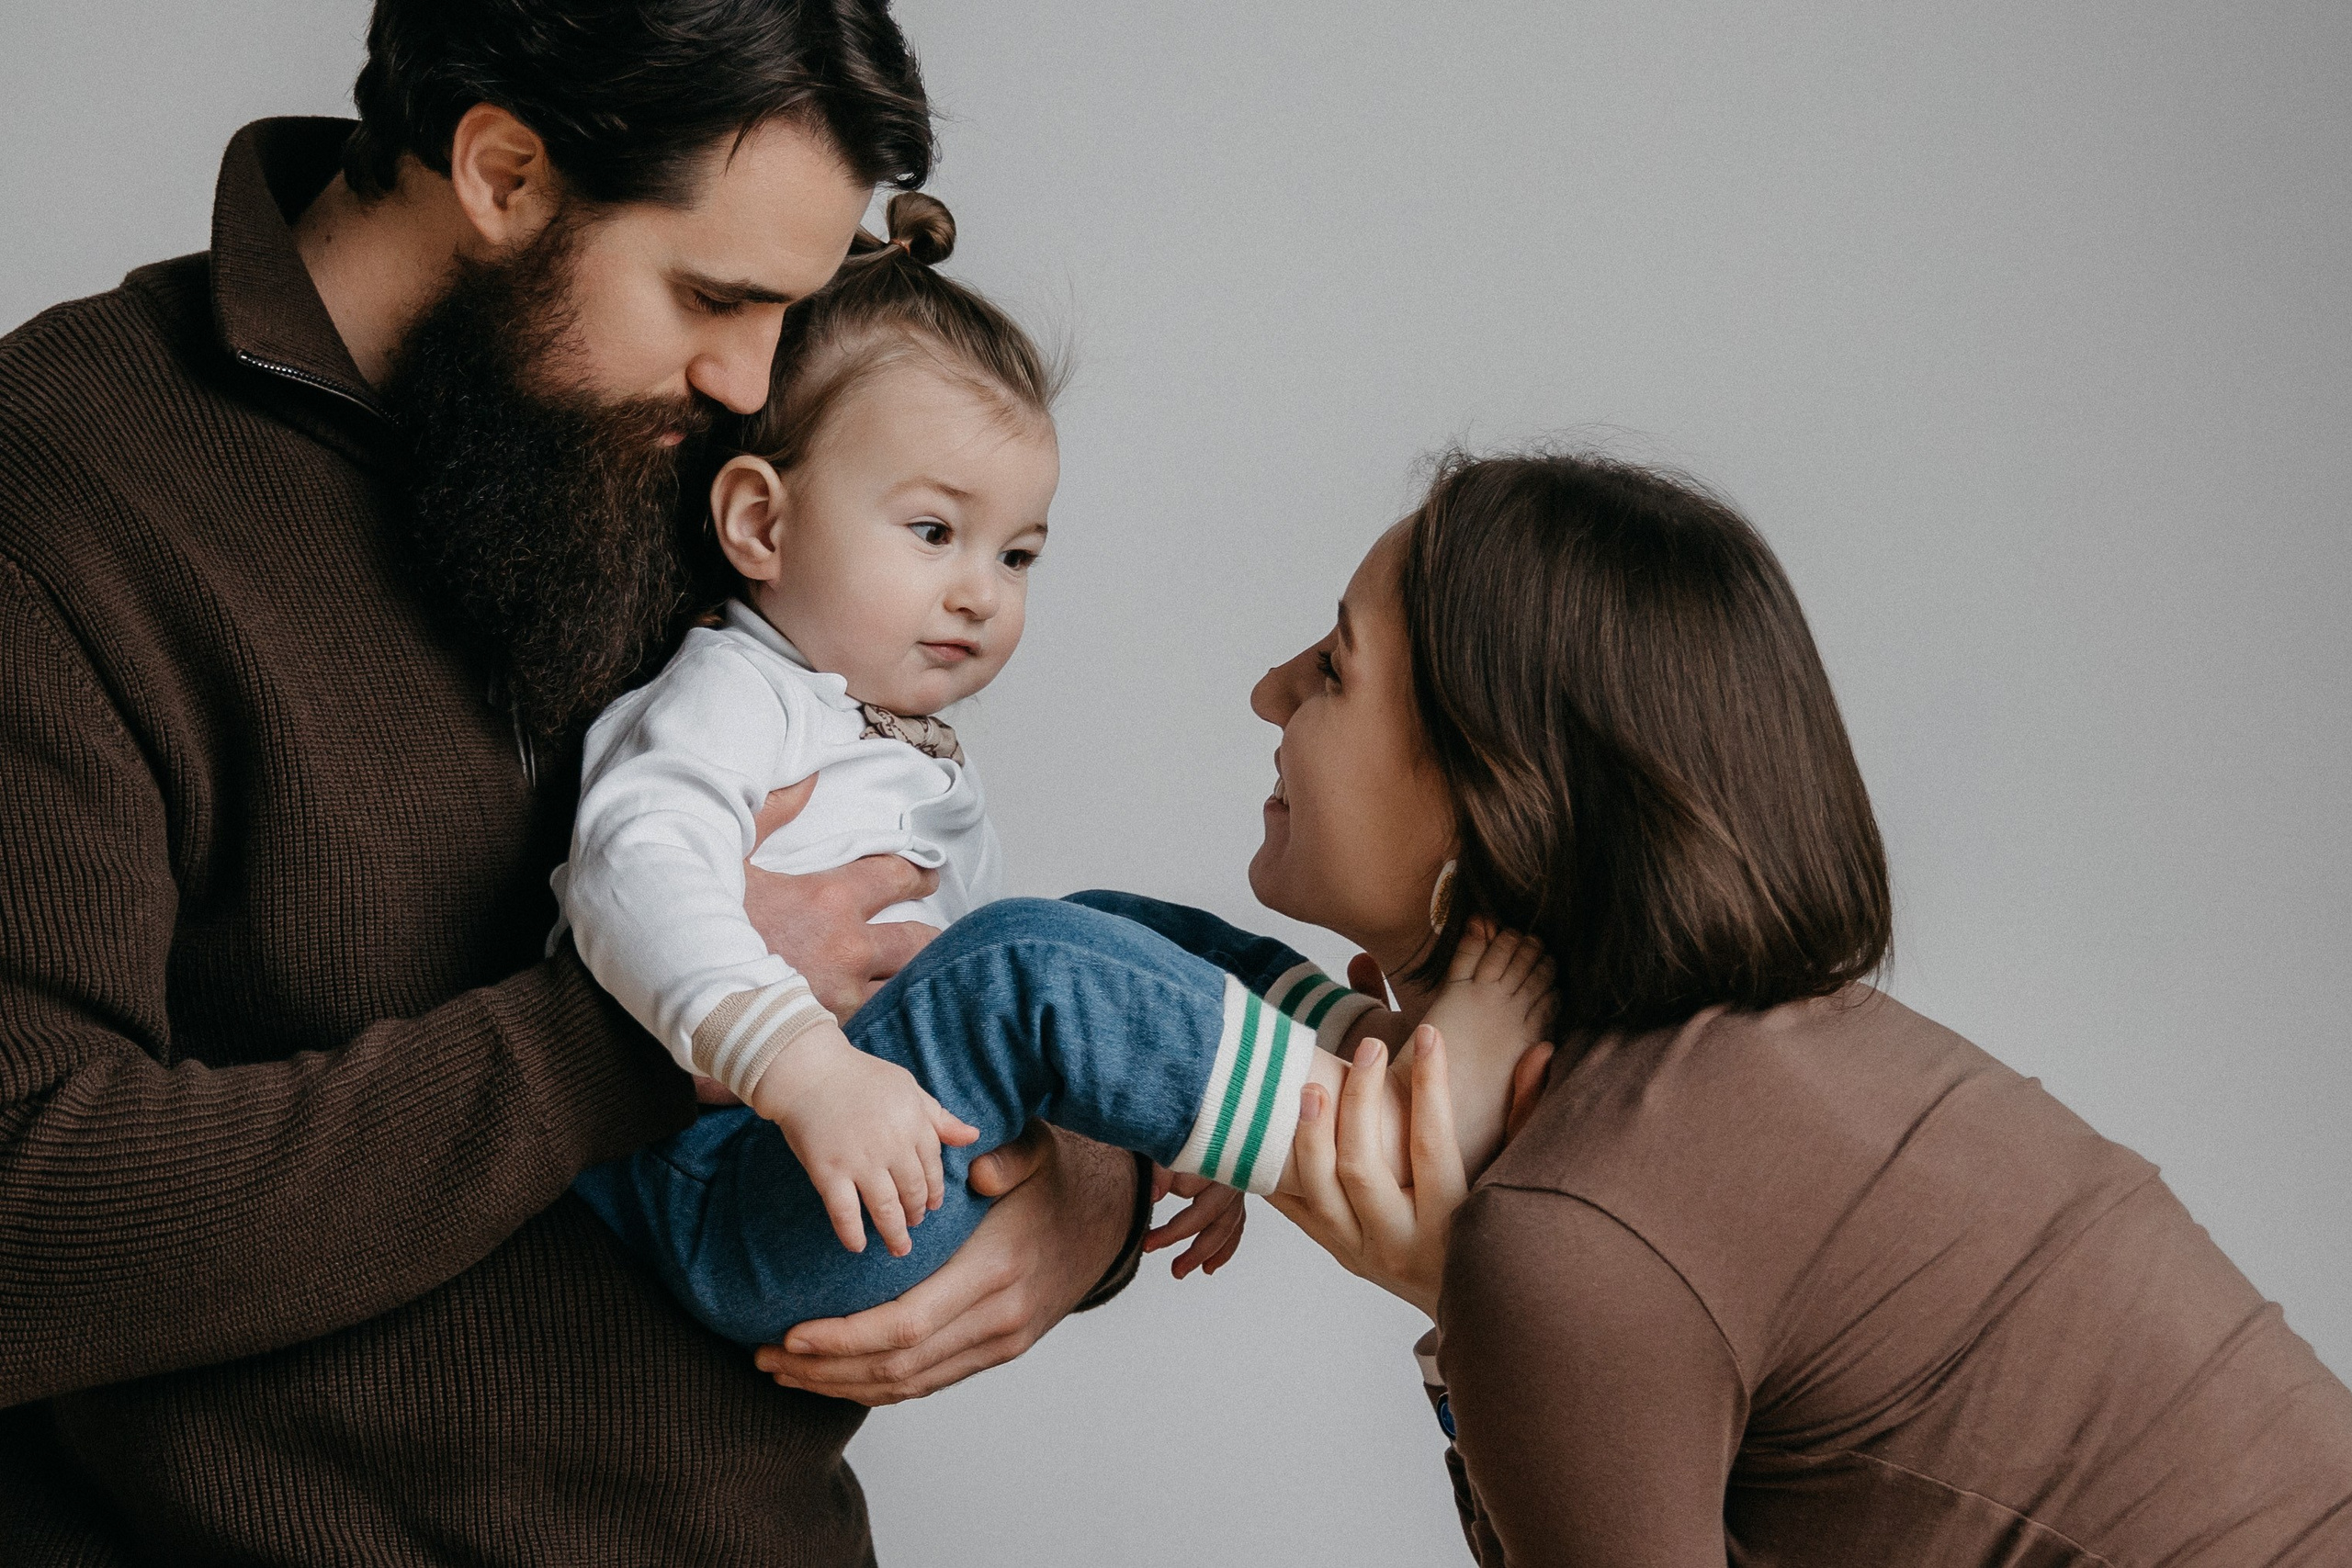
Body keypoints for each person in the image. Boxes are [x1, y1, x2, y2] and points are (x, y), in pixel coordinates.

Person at [0, 4, 1151, 1560]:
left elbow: (890, 898)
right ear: (502, 169)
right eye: (714, 294)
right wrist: (632, 1030)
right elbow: (28, 1229)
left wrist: (1086, 1175)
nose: (757, 381)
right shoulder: (61, 491)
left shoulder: (703, 444)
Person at [1242, 450, 2352, 1564]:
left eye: (1335, 668)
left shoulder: (1580, 1222)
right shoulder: (1770, 1074)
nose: (1269, 693)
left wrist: (1461, 1299)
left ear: (1499, 787)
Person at [558, 191, 1557, 1345]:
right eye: (934, 531)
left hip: (848, 1157)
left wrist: (1157, 1120)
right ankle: (1350, 1135)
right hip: (719, 1184)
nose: (983, 590)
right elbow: (629, 876)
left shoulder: (880, 737)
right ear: (761, 526)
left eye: (1017, 552)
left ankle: (1343, 1056)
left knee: (1105, 930)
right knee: (1031, 958)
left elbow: (989, 997)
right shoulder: (730, 692)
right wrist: (800, 1069)